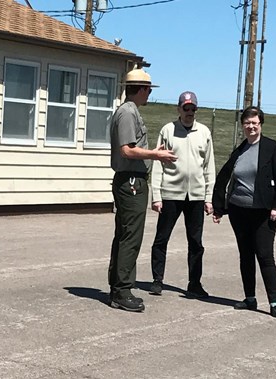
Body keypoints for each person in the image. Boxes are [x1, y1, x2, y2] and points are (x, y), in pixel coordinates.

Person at [107, 67, 177, 312]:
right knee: (131, 236)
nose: (149, 94)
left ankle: (119, 286)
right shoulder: (127, 113)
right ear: (142, 89)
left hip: (132, 180)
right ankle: (122, 290)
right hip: (131, 182)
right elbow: (127, 150)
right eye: (148, 90)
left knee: (125, 234)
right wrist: (155, 154)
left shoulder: (129, 111)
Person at [211, 106, 276, 319]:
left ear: (261, 124)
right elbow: (224, 177)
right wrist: (219, 208)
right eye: (247, 123)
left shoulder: (272, 148)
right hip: (239, 210)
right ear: (243, 125)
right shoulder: (240, 150)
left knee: (264, 256)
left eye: (255, 123)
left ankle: (274, 302)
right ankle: (250, 299)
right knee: (245, 255)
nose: (251, 126)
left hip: (263, 212)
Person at [148, 91, 215, 298]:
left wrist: (208, 196)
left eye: (193, 109)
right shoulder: (168, 130)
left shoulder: (203, 132)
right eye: (186, 108)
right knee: (162, 238)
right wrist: (156, 195)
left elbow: (209, 166)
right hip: (171, 194)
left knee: (196, 242)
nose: (189, 112)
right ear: (179, 109)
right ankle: (157, 280)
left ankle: (194, 283)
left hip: (195, 196)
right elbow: (158, 163)